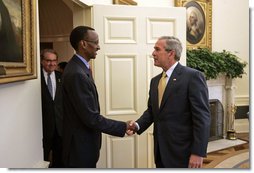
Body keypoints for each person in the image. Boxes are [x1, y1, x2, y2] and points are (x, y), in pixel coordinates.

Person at [127, 36, 210, 168]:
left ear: (171, 53)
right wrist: (137, 125)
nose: (153, 53)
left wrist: (198, 152)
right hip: (160, 150)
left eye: (157, 49)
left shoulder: (193, 77)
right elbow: (152, 111)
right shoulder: (155, 81)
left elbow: (202, 118)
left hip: (183, 152)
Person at [62, 26, 135, 168]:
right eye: (95, 42)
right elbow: (91, 118)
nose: (99, 47)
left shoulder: (80, 68)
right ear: (83, 44)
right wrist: (123, 126)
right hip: (79, 149)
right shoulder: (77, 73)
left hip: (84, 145)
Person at [40, 49, 64, 168]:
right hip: (42, 128)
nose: (52, 64)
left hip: (60, 129)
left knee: (59, 160)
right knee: (41, 160)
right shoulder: (36, 78)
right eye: (48, 60)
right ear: (42, 61)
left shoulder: (62, 77)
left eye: (54, 61)